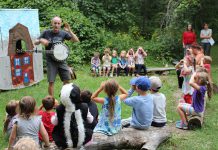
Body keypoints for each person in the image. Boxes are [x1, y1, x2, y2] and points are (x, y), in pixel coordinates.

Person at [34, 16, 79, 97]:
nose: (56, 25)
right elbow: (35, 42)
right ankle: (51, 101)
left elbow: (76, 40)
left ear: (60, 24)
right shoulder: (46, 32)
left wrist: (69, 31)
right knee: (51, 82)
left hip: (62, 60)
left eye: (58, 23)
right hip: (51, 61)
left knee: (67, 80)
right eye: (55, 23)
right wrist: (40, 40)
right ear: (52, 23)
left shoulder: (63, 33)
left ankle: (63, 96)